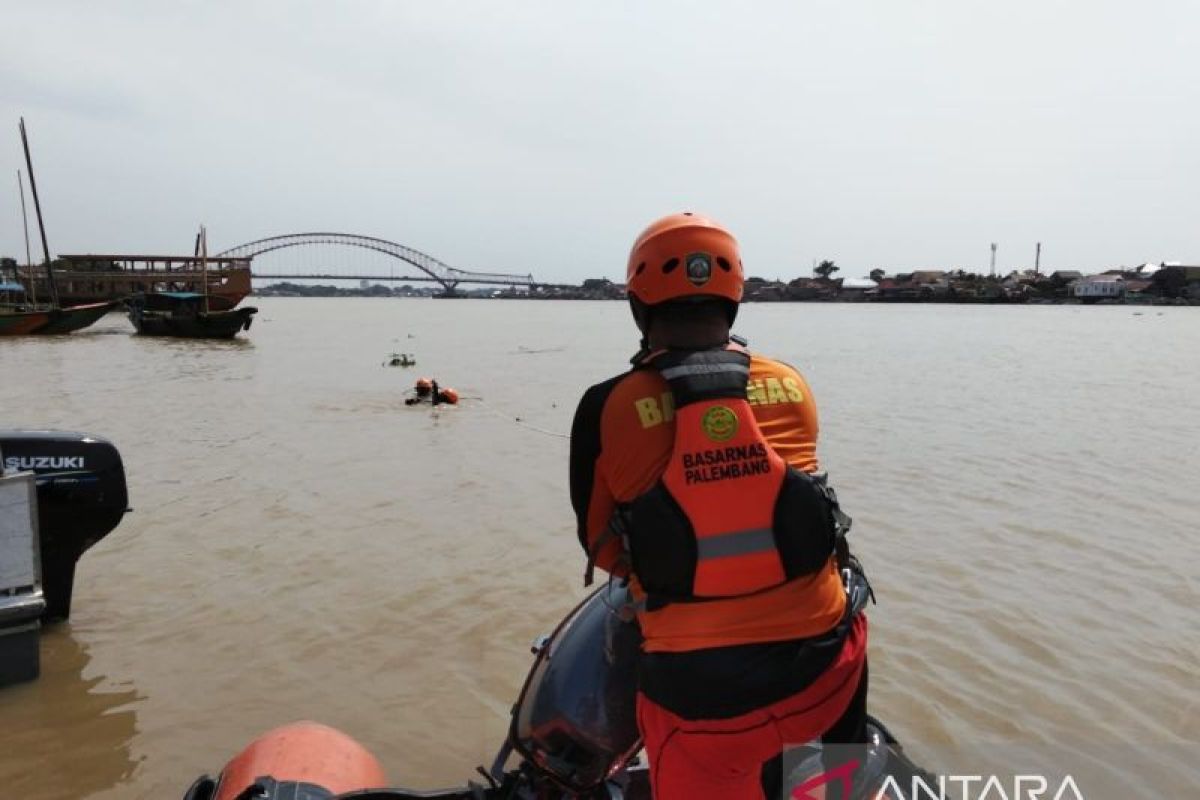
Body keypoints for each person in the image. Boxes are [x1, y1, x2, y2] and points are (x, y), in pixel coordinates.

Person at [569, 212, 869, 800]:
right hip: (827, 670)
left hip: (701, 702)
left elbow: (602, 550)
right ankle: (840, 782)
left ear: (638, 305)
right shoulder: (791, 383)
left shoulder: (607, 405)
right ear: (733, 299)